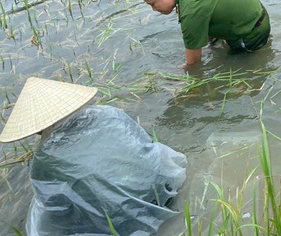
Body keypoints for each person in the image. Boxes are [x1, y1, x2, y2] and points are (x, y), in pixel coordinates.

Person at [0, 77, 186, 236]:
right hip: (156, 188)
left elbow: (54, 209)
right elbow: (145, 146)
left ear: (36, 126)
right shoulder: (109, 113)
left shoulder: (44, 158)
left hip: (118, 219)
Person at [137, 0, 270, 67]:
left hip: (254, 33)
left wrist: (178, 73)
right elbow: (210, 14)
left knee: (232, 67)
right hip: (257, 12)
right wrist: (209, 46)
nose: (154, 9)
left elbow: (194, 64)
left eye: (153, 4)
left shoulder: (191, 11)